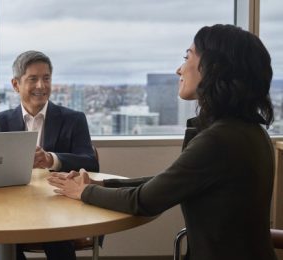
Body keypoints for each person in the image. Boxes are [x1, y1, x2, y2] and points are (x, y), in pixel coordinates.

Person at [48, 24, 277, 260]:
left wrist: (85, 192)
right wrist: (104, 187)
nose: (179, 69)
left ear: (213, 68)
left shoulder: (220, 140)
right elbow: (167, 182)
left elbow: (144, 201)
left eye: (187, 57)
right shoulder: (247, 131)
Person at [0, 50, 99, 260]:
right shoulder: (0, 122)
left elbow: (90, 162)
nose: (41, 86)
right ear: (15, 85)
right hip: (13, 206)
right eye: (33, 79)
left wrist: (51, 159)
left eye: (46, 78)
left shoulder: (73, 119)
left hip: (59, 203)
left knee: (56, 228)